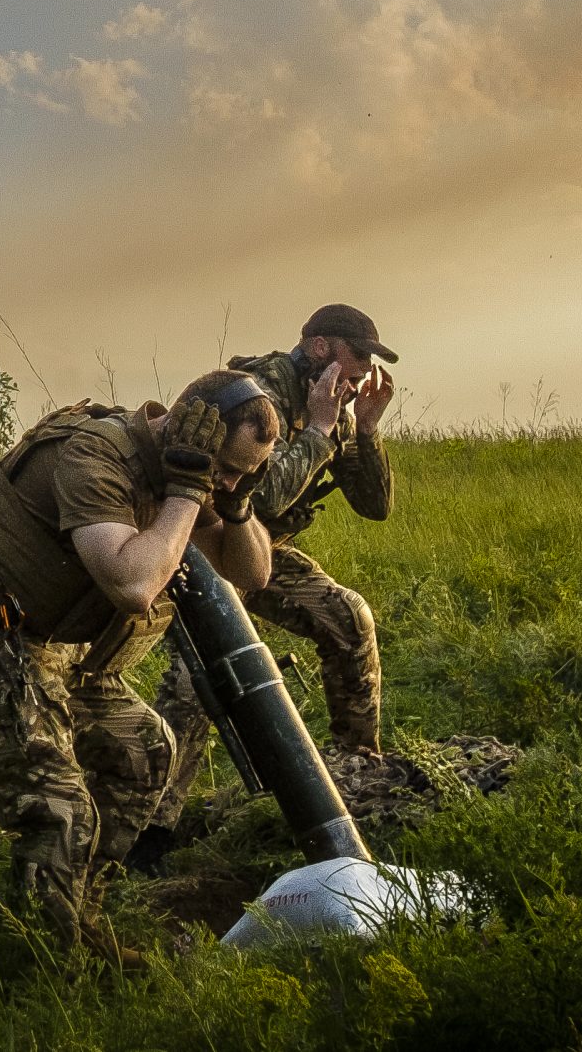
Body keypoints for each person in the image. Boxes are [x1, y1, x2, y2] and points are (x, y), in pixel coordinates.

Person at [0, 370, 278, 955]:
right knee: (60, 809)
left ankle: (77, 912)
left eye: (244, 472)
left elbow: (250, 576)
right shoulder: (96, 455)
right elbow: (132, 583)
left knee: (147, 751)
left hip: (50, 641)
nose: (227, 480)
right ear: (190, 428)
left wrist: (234, 505)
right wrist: (188, 494)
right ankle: (44, 966)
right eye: (227, 467)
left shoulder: (190, 465)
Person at [139, 305, 396, 856]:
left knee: (348, 617)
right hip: (205, 545)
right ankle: (151, 832)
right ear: (322, 347)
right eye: (359, 359)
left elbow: (375, 505)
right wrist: (323, 428)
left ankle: (356, 764)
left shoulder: (333, 408)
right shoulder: (255, 396)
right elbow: (257, 494)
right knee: (199, 679)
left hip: (262, 551)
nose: (362, 375)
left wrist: (366, 432)